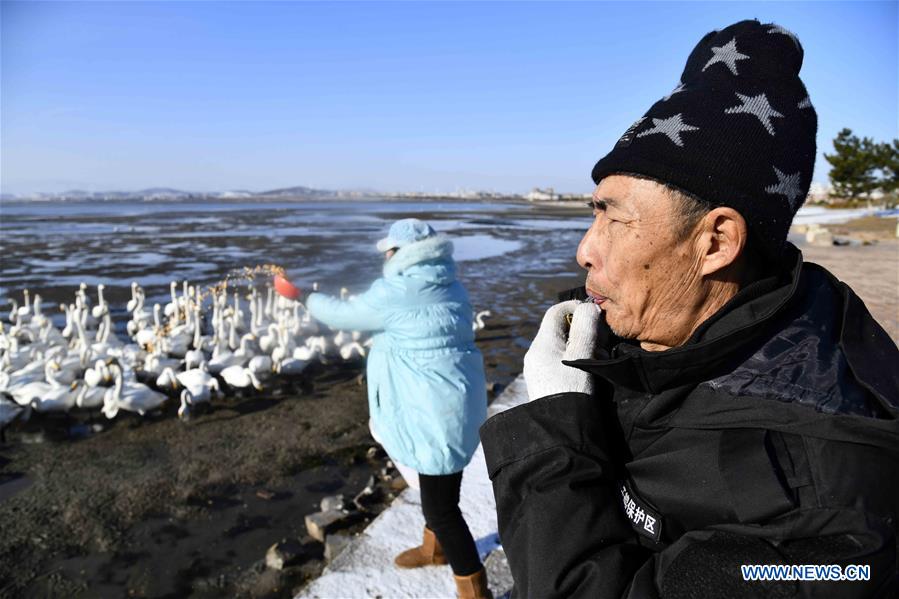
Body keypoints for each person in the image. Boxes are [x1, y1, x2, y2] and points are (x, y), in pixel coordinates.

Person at [480, 20, 899, 598]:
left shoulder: (827, 514)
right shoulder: (671, 337)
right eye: (592, 212)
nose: (584, 249)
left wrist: (553, 440)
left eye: (616, 218)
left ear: (716, 243)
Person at [305, 218, 493, 599]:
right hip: (454, 400)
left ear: (402, 254)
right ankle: (435, 549)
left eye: (390, 250)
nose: (386, 256)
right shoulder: (450, 285)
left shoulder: (397, 291)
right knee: (439, 487)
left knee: (442, 508)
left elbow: (343, 315)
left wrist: (303, 298)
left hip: (432, 410)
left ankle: (474, 589)